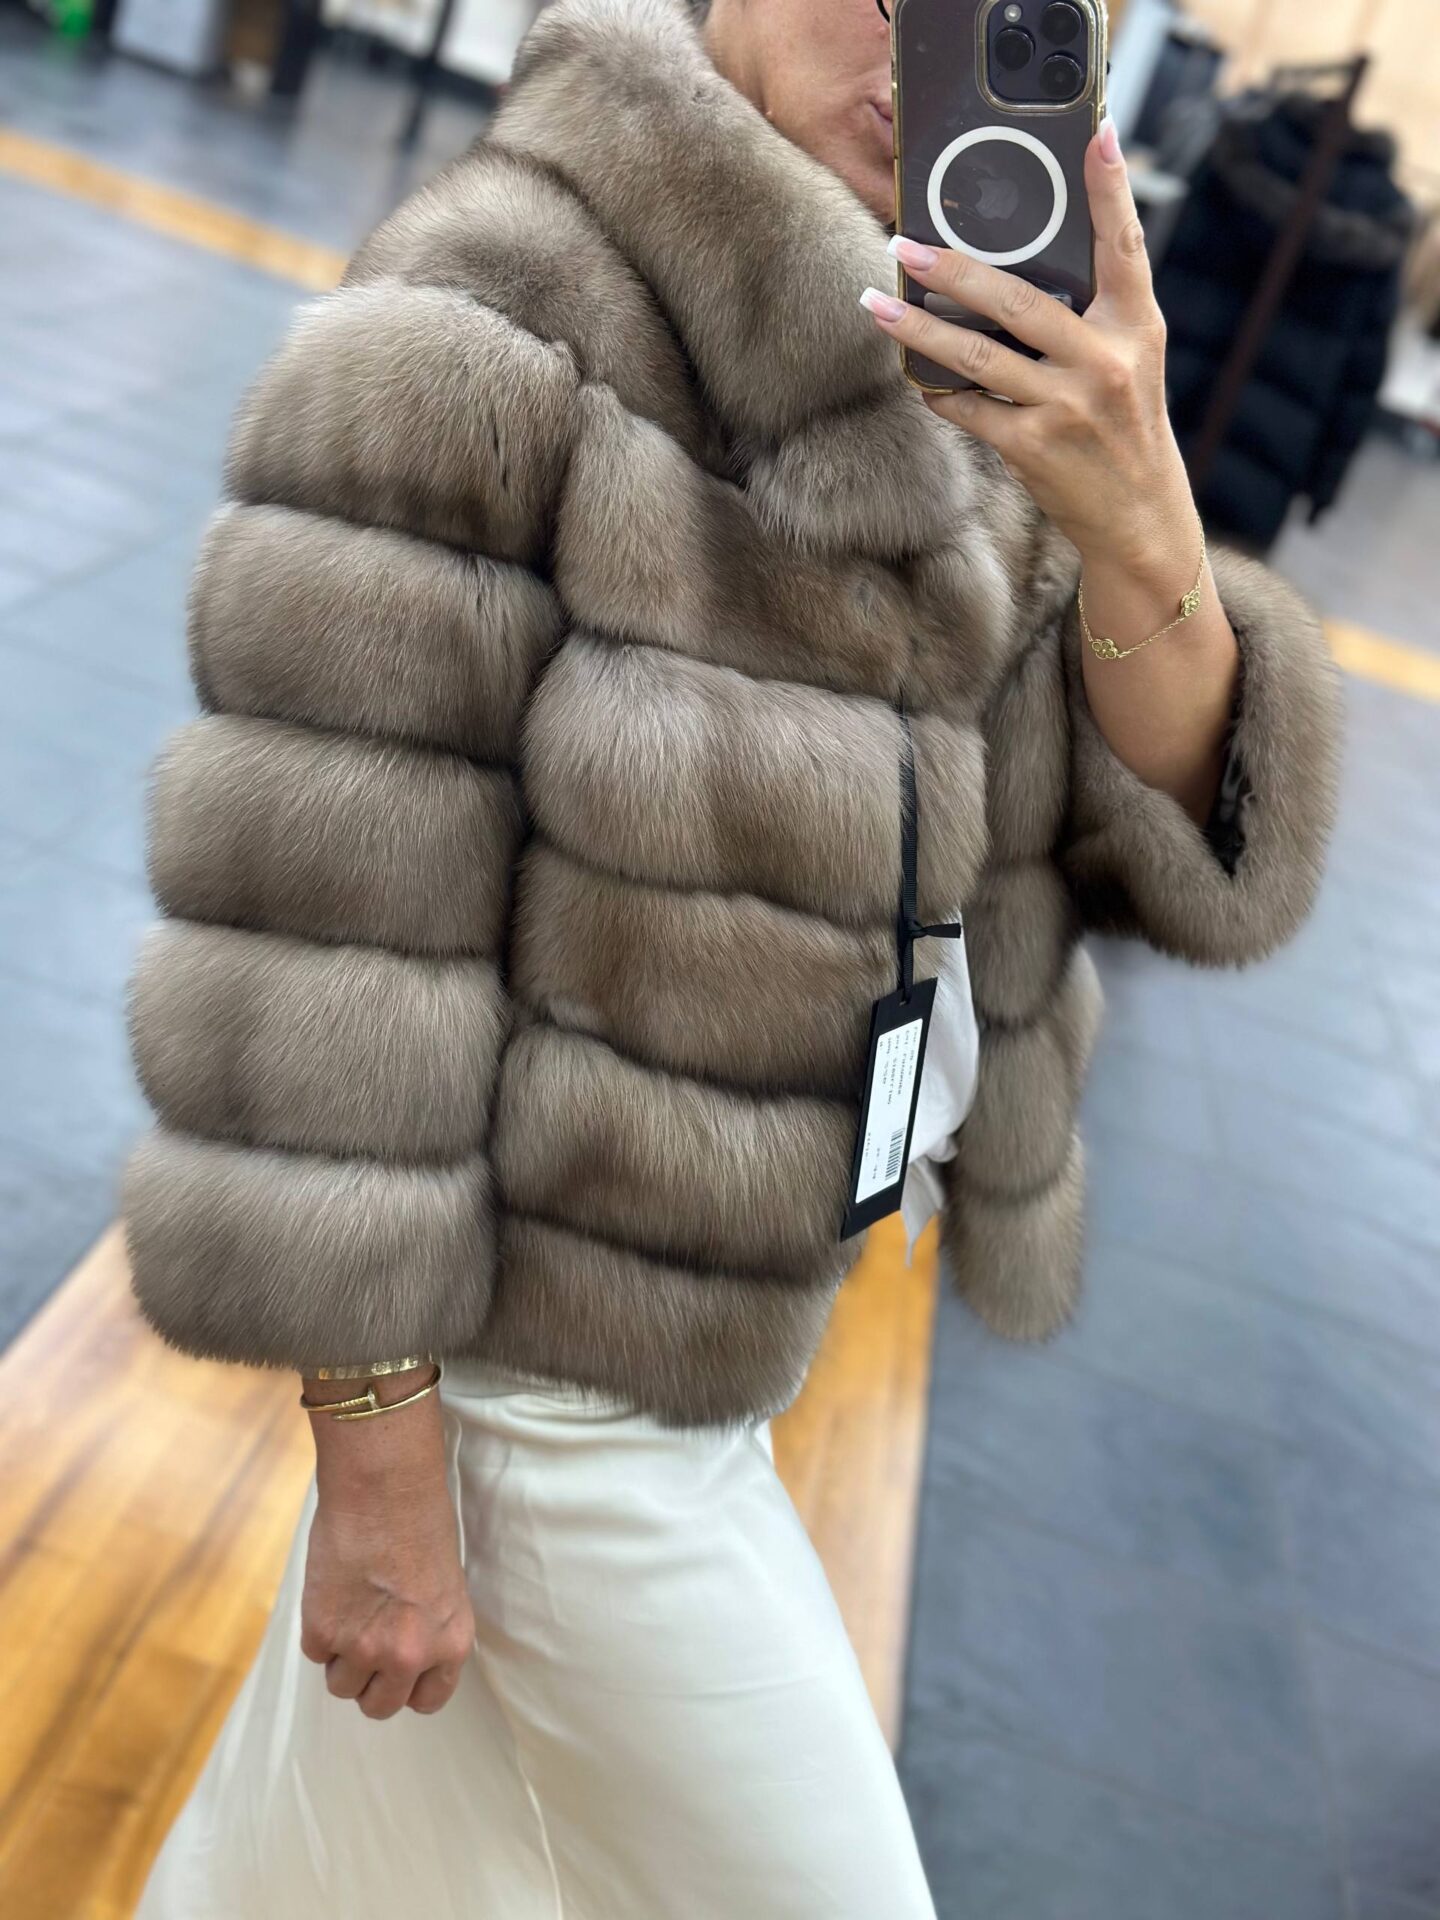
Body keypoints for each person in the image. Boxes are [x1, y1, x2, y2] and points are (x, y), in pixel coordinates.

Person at [126, 0, 1341, 1912]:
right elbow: (322, 927)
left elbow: (1162, 844)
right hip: (545, 1403)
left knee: (363, 1870)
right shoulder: (496, 312)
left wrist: (1140, 512)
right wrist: (378, 1456)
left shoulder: (966, 354)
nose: (917, 46)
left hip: (731, 1354)